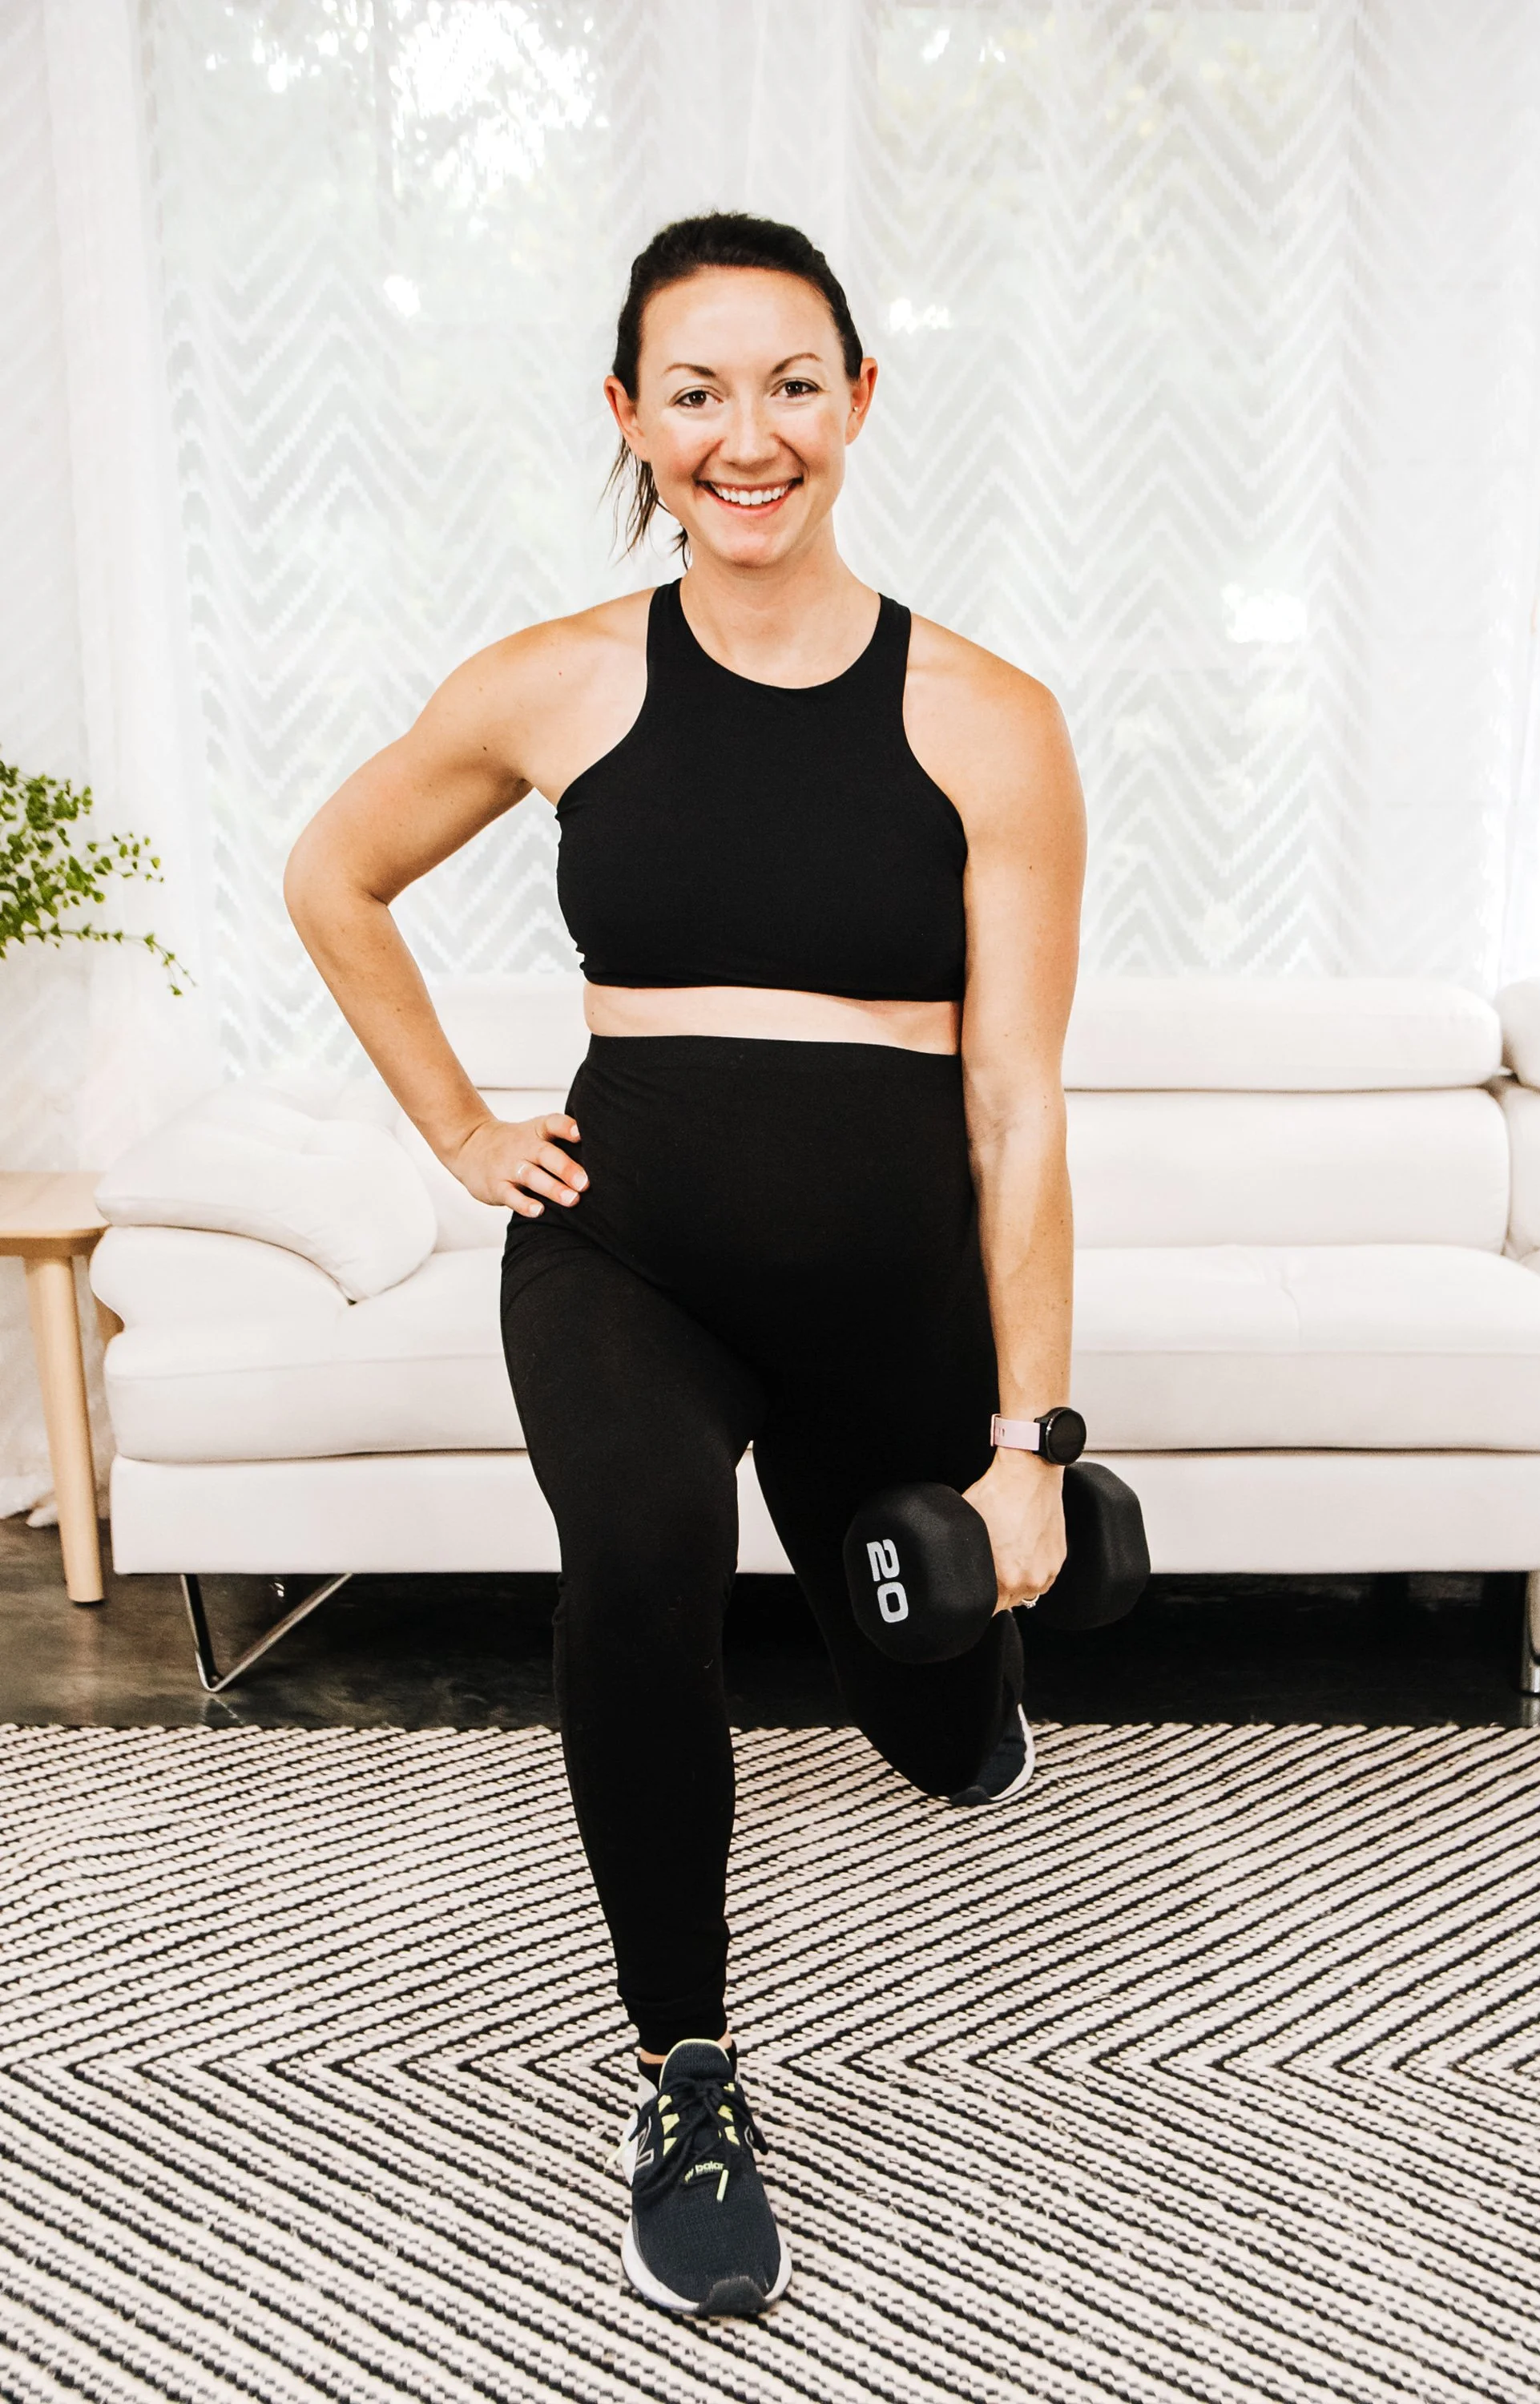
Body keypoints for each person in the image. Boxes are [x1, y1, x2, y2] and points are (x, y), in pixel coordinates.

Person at [284, 211, 1085, 2321]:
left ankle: (959, 1668)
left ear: (860, 402)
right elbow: (334, 871)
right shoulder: (557, 681)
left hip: (888, 1299)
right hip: (624, 1259)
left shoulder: (990, 718)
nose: (751, 435)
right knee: (637, 1560)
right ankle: (689, 2070)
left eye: (794, 384)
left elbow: (1018, 1106)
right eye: (699, 391)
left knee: (937, 1723)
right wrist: (463, 1131)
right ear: (631, 417)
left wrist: (1029, 1442)